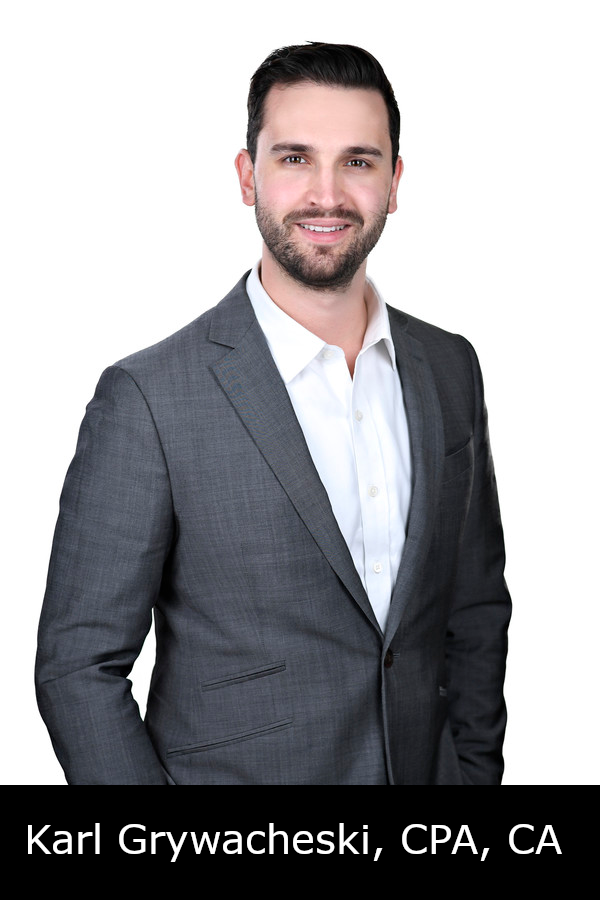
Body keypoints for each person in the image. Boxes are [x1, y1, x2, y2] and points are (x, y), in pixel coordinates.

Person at [36, 42, 511, 785]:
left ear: (395, 180)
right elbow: (77, 668)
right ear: (247, 176)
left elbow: (475, 613)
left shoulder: (450, 369)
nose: (327, 194)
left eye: (358, 161)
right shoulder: (151, 398)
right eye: (294, 159)